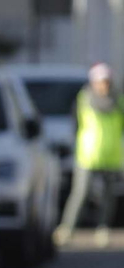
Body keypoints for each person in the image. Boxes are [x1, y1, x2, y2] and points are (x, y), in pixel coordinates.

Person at [56, 63, 123, 247]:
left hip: (111, 156)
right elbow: (76, 124)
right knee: (80, 193)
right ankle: (67, 228)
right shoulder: (84, 99)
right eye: (100, 82)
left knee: (108, 197)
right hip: (88, 155)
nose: (104, 86)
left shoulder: (119, 102)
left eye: (106, 82)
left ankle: (103, 229)